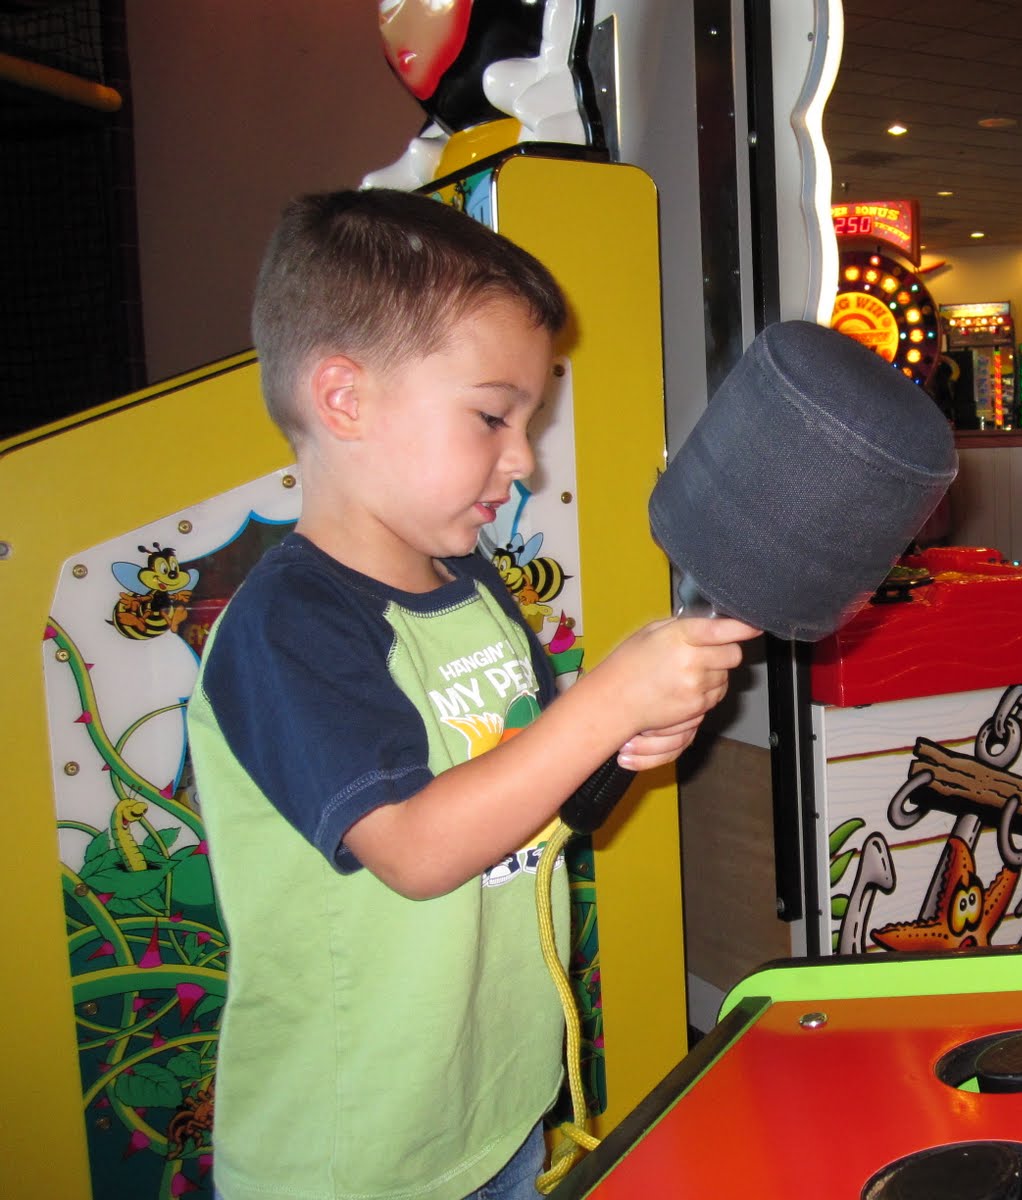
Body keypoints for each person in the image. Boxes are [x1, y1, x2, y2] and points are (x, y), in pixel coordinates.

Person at [186, 188, 759, 1200]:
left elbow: (538, 811)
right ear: (345, 399)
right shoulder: (286, 626)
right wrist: (604, 704)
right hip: (351, 1161)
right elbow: (412, 847)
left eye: (527, 420)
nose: (522, 458)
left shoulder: (474, 590)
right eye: (493, 415)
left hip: (490, 1115)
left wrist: (629, 738)